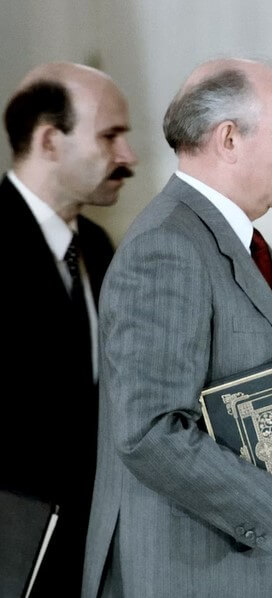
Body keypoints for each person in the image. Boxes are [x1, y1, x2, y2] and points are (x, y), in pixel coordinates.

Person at [82, 58, 272, 598]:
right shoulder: (166, 247)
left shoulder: (232, 238)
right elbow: (149, 430)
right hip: (187, 575)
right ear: (229, 139)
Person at [1, 62, 137, 596]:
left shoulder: (99, 248)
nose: (129, 156)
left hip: (85, 549)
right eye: (110, 136)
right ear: (50, 141)